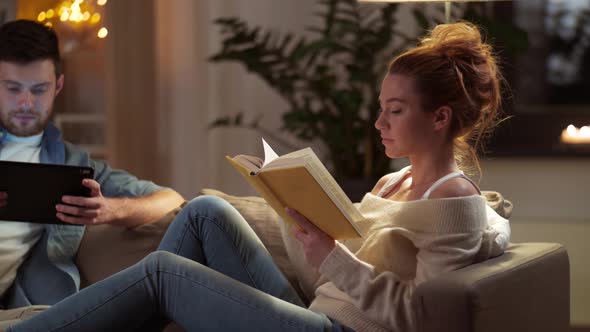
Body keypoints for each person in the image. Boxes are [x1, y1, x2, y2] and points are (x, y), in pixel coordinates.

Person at [5, 21, 510, 332]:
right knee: (206, 212)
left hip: (340, 329)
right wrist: (305, 225)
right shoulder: (392, 183)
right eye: (381, 108)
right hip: (315, 308)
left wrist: (336, 260)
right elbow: (336, 271)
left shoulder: (455, 206)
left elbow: (427, 319)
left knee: (164, 273)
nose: (379, 123)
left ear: (440, 117)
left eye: (395, 111)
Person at [0, 20, 185, 309]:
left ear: (57, 86)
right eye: (13, 89)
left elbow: (171, 200)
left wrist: (111, 210)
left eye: (38, 90)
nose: (26, 103)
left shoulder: (71, 165)